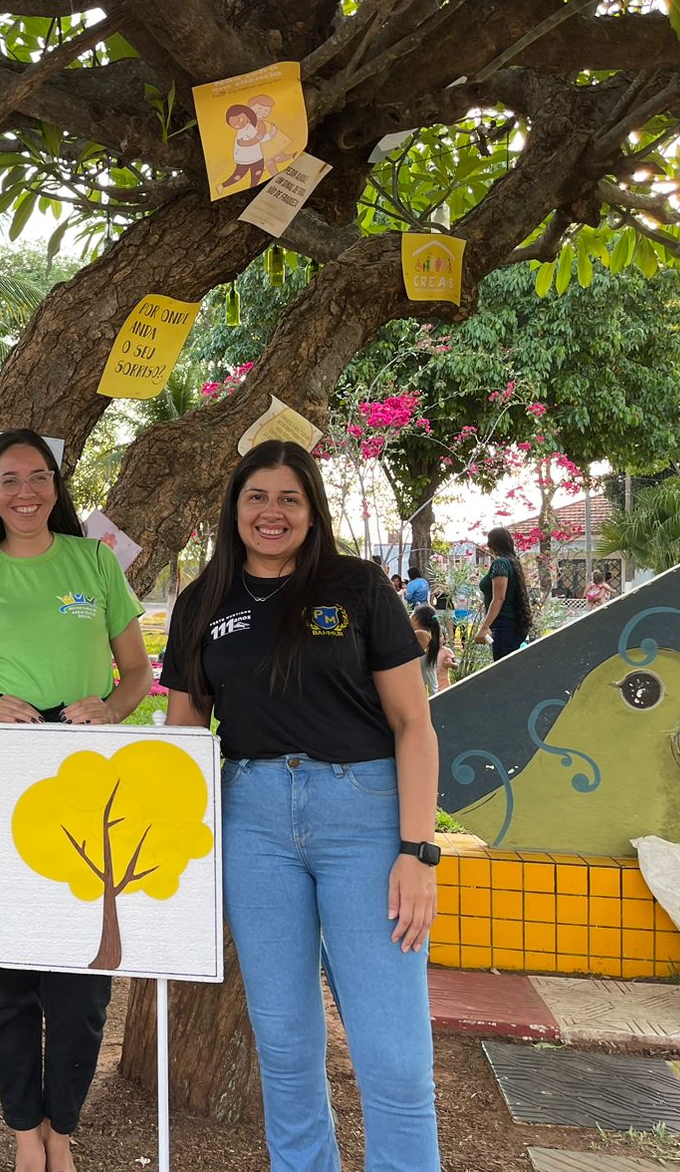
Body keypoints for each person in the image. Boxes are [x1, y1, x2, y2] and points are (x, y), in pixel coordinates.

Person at [161, 439, 441, 1172]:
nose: (272, 512)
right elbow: (185, 731)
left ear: (313, 511)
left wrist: (418, 853)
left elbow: (414, 724)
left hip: (365, 819)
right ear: (234, 509)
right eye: (257, 496)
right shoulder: (201, 601)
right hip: (251, 820)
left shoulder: (357, 587)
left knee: (393, 1054)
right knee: (283, 1045)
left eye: (290, 498)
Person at [0, 429, 153, 1172]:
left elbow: (139, 673)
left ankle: (63, 1130)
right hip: (1, 777)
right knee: (10, 976)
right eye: (9, 480)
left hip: (87, 778)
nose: (26, 491)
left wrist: (111, 710)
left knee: (83, 985)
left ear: (56, 486)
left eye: (39, 477)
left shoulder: (93, 563)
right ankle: (25, 1134)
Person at [474, 526, 533, 660]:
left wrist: (484, 628)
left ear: (491, 544)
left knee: (502, 673)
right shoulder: (513, 562)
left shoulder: (500, 564)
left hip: (504, 627)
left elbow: (499, 598)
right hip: (513, 625)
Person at [411, 604, 457, 694]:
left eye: (411, 615)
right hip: (427, 666)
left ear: (415, 619)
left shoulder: (420, 634)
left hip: (422, 666)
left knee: (429, 689)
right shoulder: (428, 633)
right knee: (432, 688)